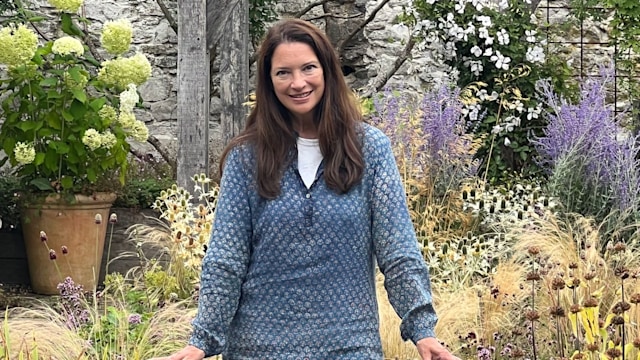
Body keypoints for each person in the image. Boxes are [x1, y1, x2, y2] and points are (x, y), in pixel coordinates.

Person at [153, 18, 460, 360]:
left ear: (327, 71)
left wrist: (422, 330)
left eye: (308, 68)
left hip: (349, 346)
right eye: (283, 72)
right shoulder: (247, 158)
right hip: (258, 347)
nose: (298, 83)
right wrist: (202, 340)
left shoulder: (370, 149)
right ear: (269, 82)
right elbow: (226, 258)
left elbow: (398, 249)